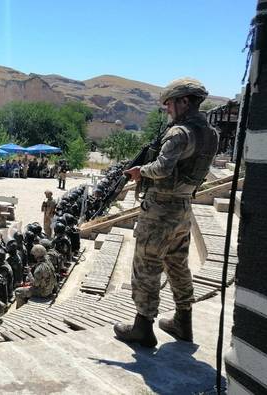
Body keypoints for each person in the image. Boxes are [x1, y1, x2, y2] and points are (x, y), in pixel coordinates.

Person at [114, 78, 219, 348]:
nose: (167, 109)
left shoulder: (179, 133)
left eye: (169, 103)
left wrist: (141, 171)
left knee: (147, 265)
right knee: (178, 265)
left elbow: (161, 168)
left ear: (184, 101)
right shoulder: (211, 134)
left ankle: (143, 327)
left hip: (160, 210)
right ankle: (183, 321)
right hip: (183, 208)